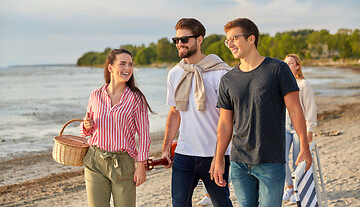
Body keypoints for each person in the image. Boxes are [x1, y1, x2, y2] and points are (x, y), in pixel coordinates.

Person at [211, 18, 312, 207]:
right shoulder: (228, 79)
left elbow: (296, 109)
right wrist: (218, 159)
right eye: (227, 40)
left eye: (234, 38)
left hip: (271, 160)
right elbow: (224, 123)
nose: (230, 44)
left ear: (251, 39)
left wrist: (304, 146)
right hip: (239, 162)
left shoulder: (277, 69)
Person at [162, 18, 233, 207]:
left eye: (184, 40)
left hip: (214, 154)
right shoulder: (175, 73)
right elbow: (175, 112)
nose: (179, 44)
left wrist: (219, 156)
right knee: (179, 204)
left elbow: (230, 119)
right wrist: (166, 145)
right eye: (176, 40)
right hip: (184, 153)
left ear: (200, 39)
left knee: (221, 203)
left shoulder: (221, 73)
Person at [80, 48, 152, 207]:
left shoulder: (136, 98)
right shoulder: (95, 95)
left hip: (123, 163)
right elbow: (87, 128)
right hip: (94, 161)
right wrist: (86, 125)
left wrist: (141, 164)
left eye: (130, 64)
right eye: (123, 64)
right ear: (110, 67)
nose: (128, 68)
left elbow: (144, 135)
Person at [282, 54, 317, 203]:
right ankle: (289, 187)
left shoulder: (304, 84)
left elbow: (310, 108)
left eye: (291, 63)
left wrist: (310, 129)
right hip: (283, 127)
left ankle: (298, 190)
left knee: (298, 161)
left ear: (297, 66)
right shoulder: (281, 83)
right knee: (281, 159)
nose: (288, 65)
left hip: (298, 128)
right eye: (286, 63)